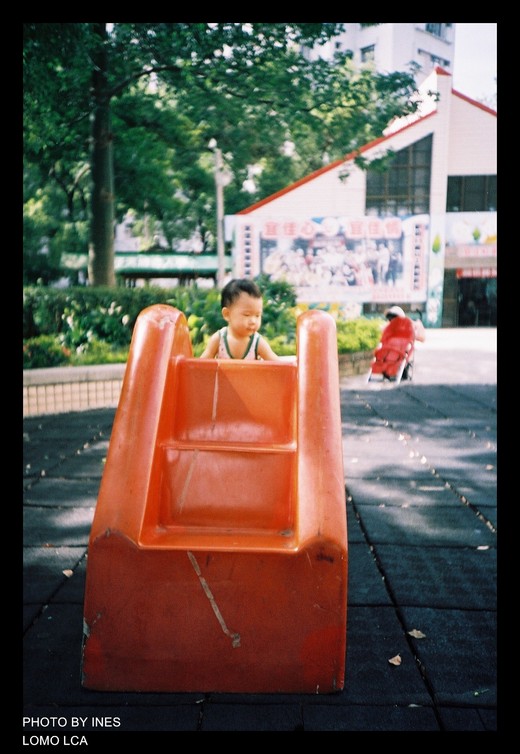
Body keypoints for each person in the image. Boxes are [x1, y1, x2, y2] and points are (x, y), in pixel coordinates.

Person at [199, 278, 280, 361]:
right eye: (247, 315)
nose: (253, 321)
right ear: (227, 314)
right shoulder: (219, 339)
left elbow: (278, 364)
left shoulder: (257, 342)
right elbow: (201, 364)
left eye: (257, 315)